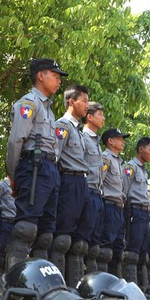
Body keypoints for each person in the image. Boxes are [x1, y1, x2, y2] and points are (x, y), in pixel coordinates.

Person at [5, 58, 67, 271]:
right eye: (55, 75)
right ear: (41, 75)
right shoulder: (28, 104)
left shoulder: (49, 109)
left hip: (50, 169)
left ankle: (41, 283)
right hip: (34, 167)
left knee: (46, 234)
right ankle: (16, 282)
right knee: (26, 228)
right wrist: (13, 176)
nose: (59, 80)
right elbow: (15, 141)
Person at [51, 84, 90, 287]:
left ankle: (74, 286)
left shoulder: (79, 130)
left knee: (77, 242)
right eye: (84, 100)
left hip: (81, 183)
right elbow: (54, 158)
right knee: (62, 238)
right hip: (68, 181)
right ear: (71, 101)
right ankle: (56, 285)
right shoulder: (62, 126)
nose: (87, 105)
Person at [122, 137, 150, 288]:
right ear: (141, 149)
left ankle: (142, 289)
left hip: (144, 213)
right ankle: (130, 287)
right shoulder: (130, 167)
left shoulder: (144, 170)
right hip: (134, 211)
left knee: (142, 254)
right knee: (131, 252)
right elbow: (123, 190)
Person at [99, 128, 130, 277]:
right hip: (108, 206)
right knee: (105, 249)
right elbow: (99, 180)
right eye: (119, 138)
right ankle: (102, 283)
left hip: (119, 208)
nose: (122, 141)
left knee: (118, 249)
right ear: (110, 141)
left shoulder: (118, 161)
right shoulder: (105, 158)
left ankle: (115, 284)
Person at [81, 102, 106, 274]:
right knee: (80, 242)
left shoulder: (96, 142)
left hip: (98, 194)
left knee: (95, 245)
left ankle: (93, 284)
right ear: (89, 117)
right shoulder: (81, 136)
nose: (103, 118)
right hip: (86, 191)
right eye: (100, 115)